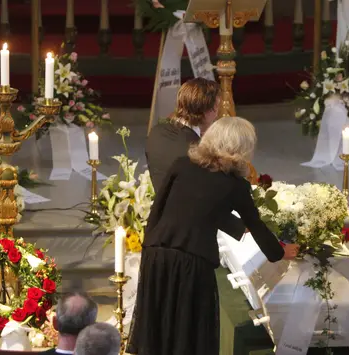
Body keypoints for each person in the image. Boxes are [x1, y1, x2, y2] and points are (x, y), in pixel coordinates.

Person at [128, 117, 299, 355]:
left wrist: (149, 248)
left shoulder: (181, 165)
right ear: (241, 149)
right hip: (192, 261)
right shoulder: (235, 184)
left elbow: (161, 208)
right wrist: (279, 252)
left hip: (157, 254)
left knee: (158, 328)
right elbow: (256, 224)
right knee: (186, 334)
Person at [145, 78, 245, 239]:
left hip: (156, 230)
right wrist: (243, 228)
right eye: (216, 108)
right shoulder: (198, 153)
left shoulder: (156, 133)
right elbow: (204, 206)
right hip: (188, 239)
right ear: (209, 111)